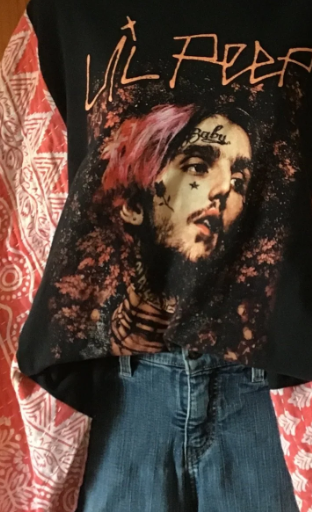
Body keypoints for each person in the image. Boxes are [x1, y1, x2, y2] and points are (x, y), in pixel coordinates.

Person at [97, 103, 254, 354]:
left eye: (238, 182)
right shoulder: (89, 332)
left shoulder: (247, 341)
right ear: (135, 204)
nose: (225, 188)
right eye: (198, 167)